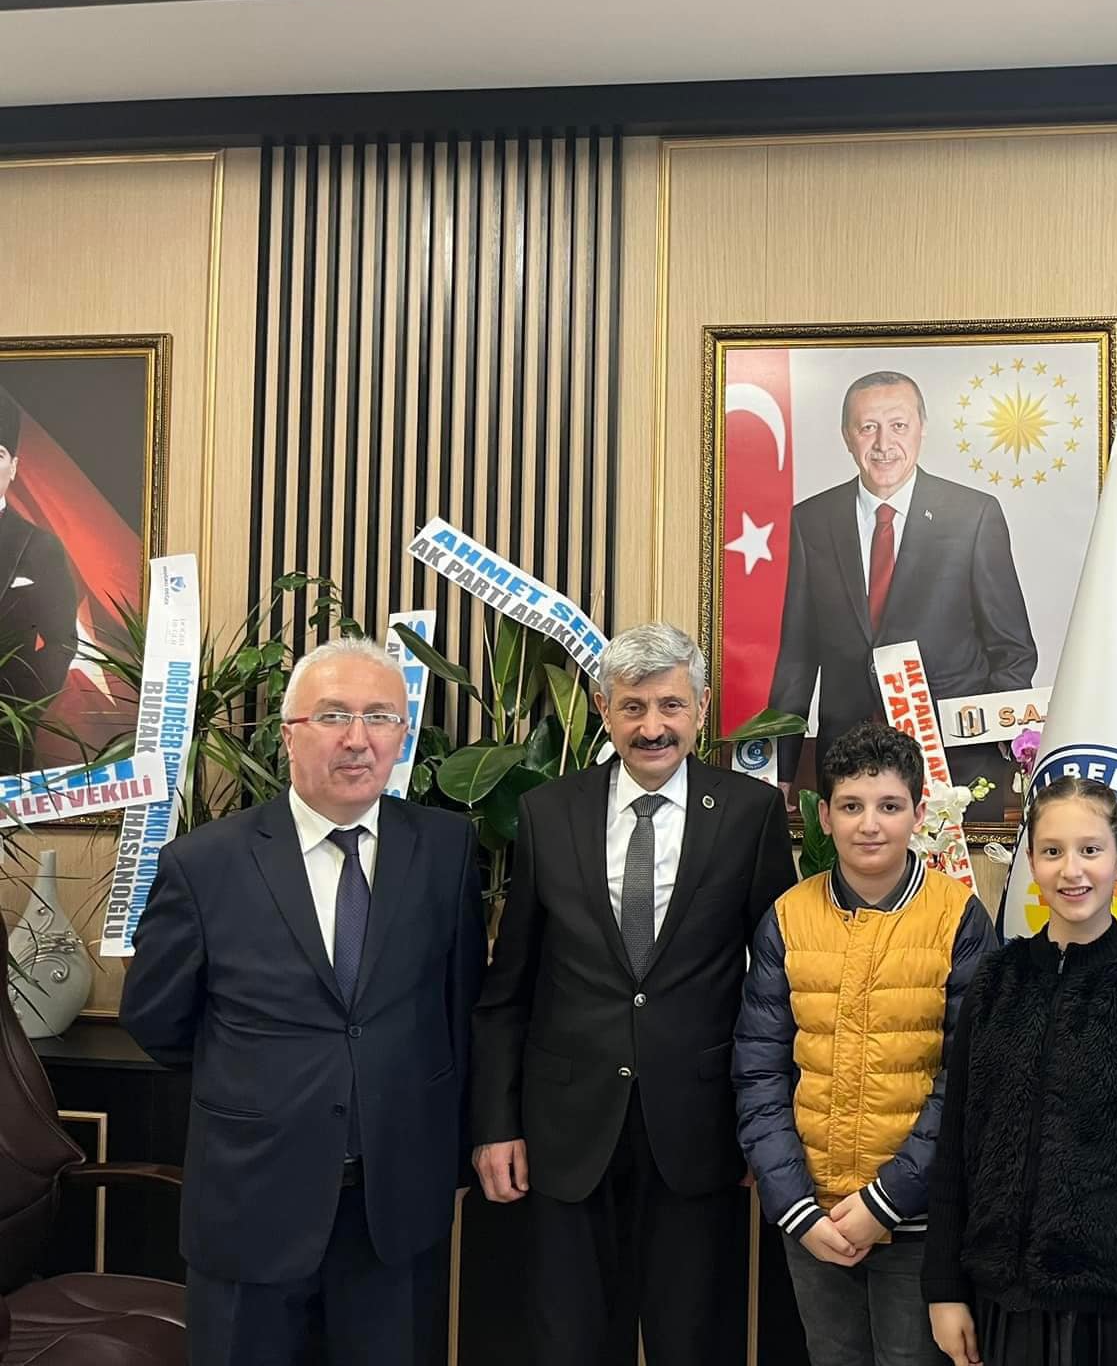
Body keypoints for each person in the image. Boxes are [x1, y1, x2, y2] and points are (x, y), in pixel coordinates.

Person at [121, 637, 486, 1366]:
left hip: (393, 1201)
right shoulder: (206, 862)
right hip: (252, 1198)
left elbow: (458, 1005)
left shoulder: (446, 849)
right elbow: (157, 1018)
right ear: (289, 735)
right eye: (333, 715)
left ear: (401, 736)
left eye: (380, 716)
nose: (358, 739)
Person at [468, 622, 794, 1366]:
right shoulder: (548, 812)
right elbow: (509, 988)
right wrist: (495, 1123)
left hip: (700, 1130)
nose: (653, 728)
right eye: (633, 707)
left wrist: (766, 1127)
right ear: (602, 709)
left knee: (692, 1343)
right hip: (564, 1131)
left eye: (671, 706)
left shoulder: (749, 814)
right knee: (570, 1344)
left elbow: (775, 987)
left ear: (701, 708)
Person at [923, 775, 1117, 1366]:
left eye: (1091, 850)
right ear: (1031, 862)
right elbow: (955, 1142)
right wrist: (944, 1289)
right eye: (1052, 851)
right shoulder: (996, 982)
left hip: (1112, 1313)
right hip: (999, 1303)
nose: (1072, 870)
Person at [734, 721, 997, 1366]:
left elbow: (971, 1080)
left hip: (917, 1222)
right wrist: (796, 1207)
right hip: (813, 1218)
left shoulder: (959, 918)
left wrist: (884, 1202)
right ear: (824, 817)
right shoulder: (788, 917)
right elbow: (759, 1073)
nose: (870, 825)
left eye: (889, 806)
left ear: (918, 814)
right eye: (851, 806)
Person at [768, 370, 1036, 801]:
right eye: (867, 427)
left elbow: (1013, 650)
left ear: (922, 429)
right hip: (847, 766)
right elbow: (797, 658)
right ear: (846, 436)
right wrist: (779, 771)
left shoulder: (973, 515)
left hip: (956, 767)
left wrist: (996, 741)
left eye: (898, 425)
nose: (883, 443)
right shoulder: (812, 520)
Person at [0, 390, 77, 772]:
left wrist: (18, 706)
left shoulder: (40, 546)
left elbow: (62, 640)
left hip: (6, 733)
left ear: (14, 467)